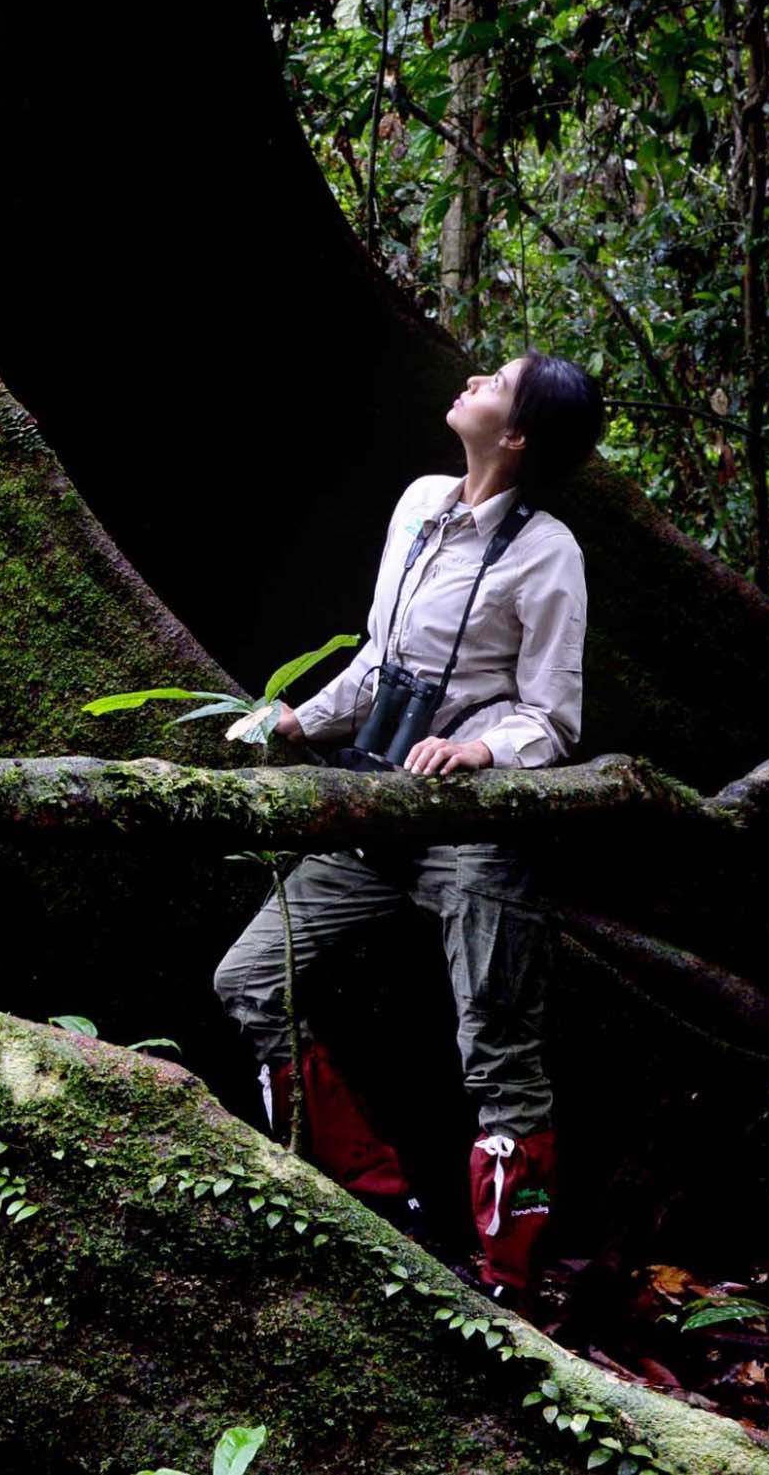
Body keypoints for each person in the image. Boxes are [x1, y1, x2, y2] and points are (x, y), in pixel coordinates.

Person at [210, 352, 602, 1297]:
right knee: (249, 978)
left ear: (518, 435)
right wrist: (297, 718)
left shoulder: (548, 553)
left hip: (472, 827)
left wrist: (479, 750)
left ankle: (508, 1283)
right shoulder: (419, 503)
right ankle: (374, 1197)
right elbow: (379, 661)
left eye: (495, 384)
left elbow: (552, 719)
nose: (471, 382)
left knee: (496, 1048)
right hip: (379, 805)